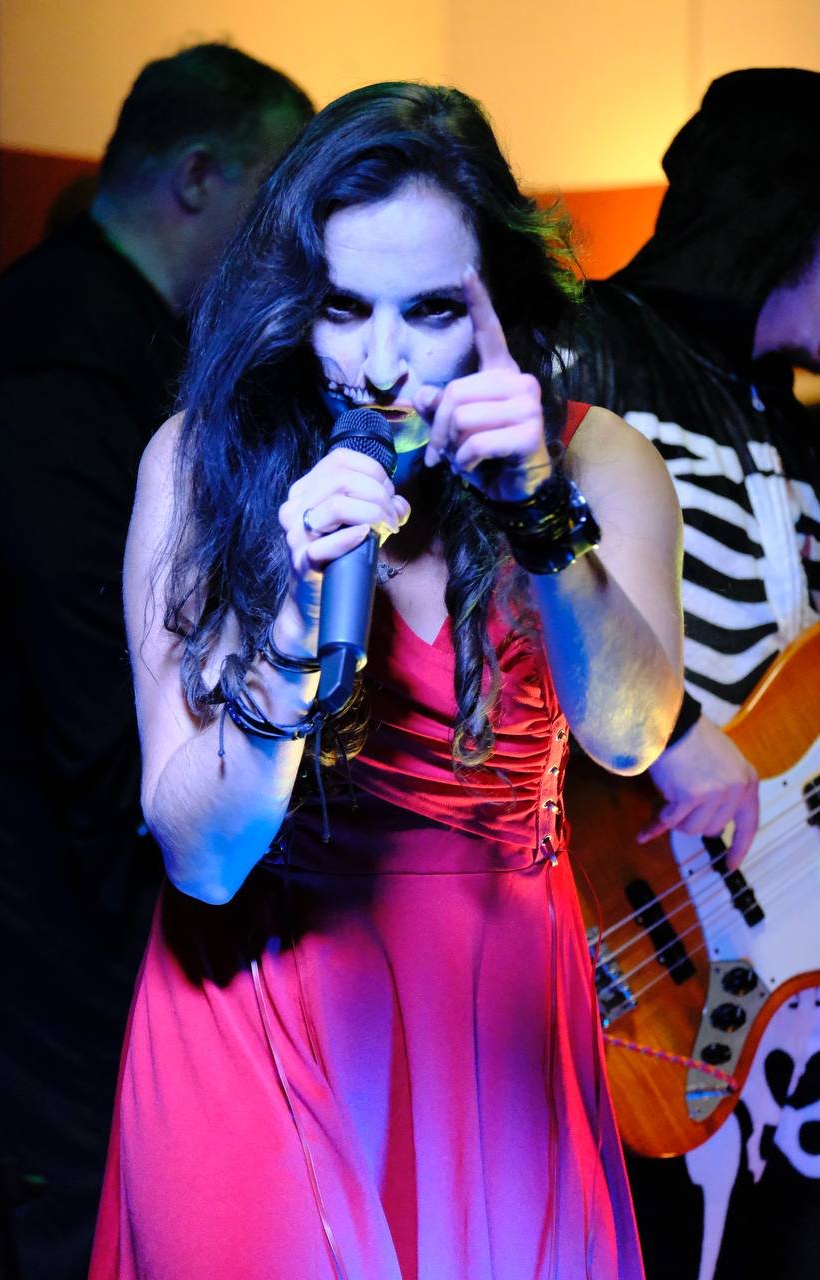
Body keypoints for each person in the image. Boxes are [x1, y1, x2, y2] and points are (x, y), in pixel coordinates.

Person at [90, 81, 684, 1279]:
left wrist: (538, 514)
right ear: (289, 300)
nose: (379, 363)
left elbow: (628, 733)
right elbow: (203, 855)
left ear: (500, 303)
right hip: (258, 1000)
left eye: (431, 310)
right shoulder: (202, 464)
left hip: (497, 1013)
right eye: (343, 307)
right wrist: (297, 613)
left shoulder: (599, 458)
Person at [0, 43, 312, 1280]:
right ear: (200, 176)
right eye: (272, 200)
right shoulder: (51, 352)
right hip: (49, 891)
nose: (289, 250)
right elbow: (90, 681)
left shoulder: (84, 332)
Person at [566, 68, 820, 1280]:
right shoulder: (582, 348)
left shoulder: (790, 410)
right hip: (620, 883)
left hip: (776, 927)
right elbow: (494, 589)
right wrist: (668, 734)